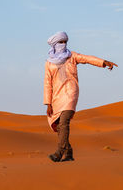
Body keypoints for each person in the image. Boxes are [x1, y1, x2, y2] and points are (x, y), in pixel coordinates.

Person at [43, 31, 118, 162]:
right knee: (59, 125)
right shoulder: (49, 63)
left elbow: (87, 58)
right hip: (57, 96)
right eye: (61, 42)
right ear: (54, 44)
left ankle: (59, 152)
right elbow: (47, 83)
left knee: (64, 121)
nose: (63, 44)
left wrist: (104, 62)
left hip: (71, 92)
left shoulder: (72, 56)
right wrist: (48, 103)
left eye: (65, 42)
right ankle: (69, 153)